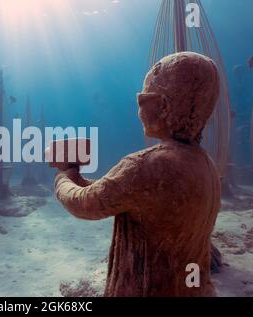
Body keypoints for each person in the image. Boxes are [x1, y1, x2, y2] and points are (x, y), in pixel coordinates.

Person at [53, 52, 221, 297]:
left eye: (144, 100)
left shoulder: (145, 166)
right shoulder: (205, 165)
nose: (140, 110)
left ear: (163, 106)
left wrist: (62, 178)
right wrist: (77, 178)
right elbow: (128, 195)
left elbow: (85, 204)